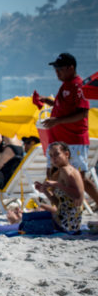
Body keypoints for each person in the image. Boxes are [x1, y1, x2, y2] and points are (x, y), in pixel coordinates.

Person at [39, 52, 98, 206]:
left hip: (73, 139)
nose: (57, 73)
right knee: (52, 173)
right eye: (56, 69)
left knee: (78, 177)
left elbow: (83, 113)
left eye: (60, 69)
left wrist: (57, 121)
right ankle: (57, 209)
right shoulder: (66, 85)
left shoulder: (78, 86)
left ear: (70, 68)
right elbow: (66, 108)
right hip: (58, 139)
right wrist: (51, 103)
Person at [33, 142, 85, 232]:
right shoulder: (65, 170)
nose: (53, 158)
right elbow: (58, 203)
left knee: (28, 221)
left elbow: (78, 196)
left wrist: (57, 185)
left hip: (66, 224)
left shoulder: (66, 170)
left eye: (57, 154)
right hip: (70, 223)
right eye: (51, 156)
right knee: (36, 211)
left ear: (66, 154)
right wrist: (44, 190)